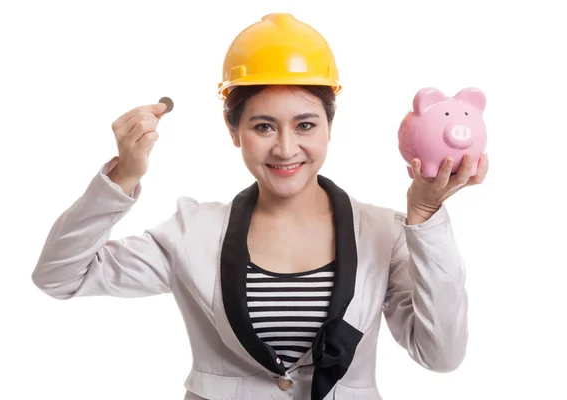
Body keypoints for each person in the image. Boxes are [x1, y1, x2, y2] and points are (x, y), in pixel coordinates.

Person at [31, 13, 488, 400]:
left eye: (305, 124)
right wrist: (123, 175)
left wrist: (425, 219)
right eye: (264, 127)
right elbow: (59, 276)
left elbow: (441, 355)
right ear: (234, 133)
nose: (286, 148)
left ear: (330, 126)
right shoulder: (191, 232)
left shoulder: (385, 233)